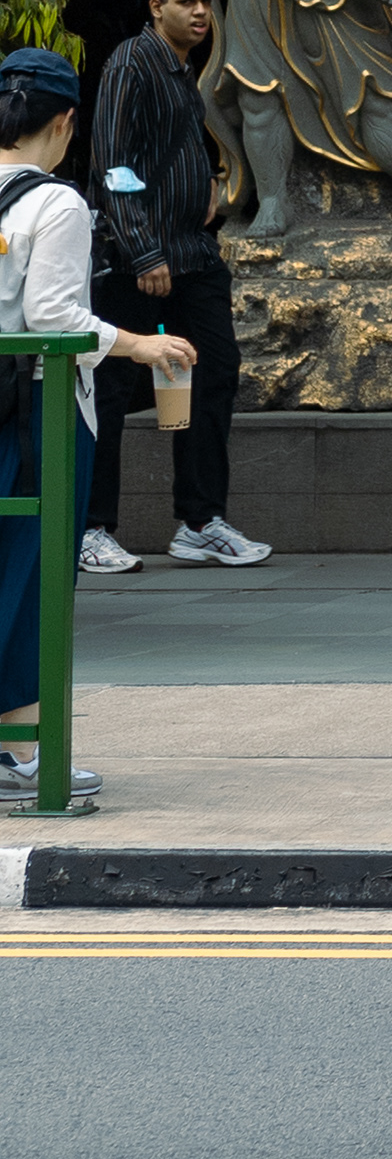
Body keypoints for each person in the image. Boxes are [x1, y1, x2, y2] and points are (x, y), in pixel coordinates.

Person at [0, 42, 191, 797]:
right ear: (68, 122)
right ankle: (21, 754)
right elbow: (53, 315)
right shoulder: (57, 203)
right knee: (32, 575)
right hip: (34, 415)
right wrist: (139, 344)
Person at [86, 0, 266, 573]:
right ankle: (91, 528)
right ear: (156, 8)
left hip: (193, 253)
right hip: (142, 258)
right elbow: (113, 163)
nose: (199, 13)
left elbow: (165, 153)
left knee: (214, 372)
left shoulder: (182, 70)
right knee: (109, 389)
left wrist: (209, 177)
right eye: (187, 2)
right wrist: (143, 248)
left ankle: (200, 521)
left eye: (206, 4)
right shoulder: (131, 64)